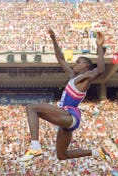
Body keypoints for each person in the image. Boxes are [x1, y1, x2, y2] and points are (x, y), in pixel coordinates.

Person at [19, 28, 107, 162]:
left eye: (78, 62)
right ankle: (96, 152)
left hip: (70, 115)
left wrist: (99, 46)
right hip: (67, 120)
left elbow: (100, 70)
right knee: (62, 155)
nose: (74, 64)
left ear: (86, 66)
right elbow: (60, 58)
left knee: (31, 107)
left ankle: (35, 146)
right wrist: (53, 39)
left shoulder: (86, 77)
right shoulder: (72, 76)